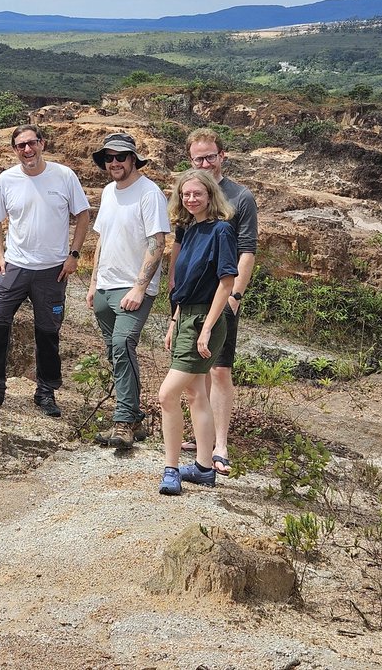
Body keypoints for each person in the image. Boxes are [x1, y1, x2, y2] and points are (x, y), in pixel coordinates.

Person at [0, 125, 90, 416]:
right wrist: (0, 255)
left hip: (52, 269)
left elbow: (83, 215)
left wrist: (73, 255)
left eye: (31, 143)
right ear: (14, 149)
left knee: (48, 331)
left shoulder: (63, 176)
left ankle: (46, 391)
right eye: (20, 145)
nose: (27, 150)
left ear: (42, 144)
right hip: (16, 265)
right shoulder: (6, 180)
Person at [174, 128, 258, 476]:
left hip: (222, 299)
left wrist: (235, 295)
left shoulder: (241, 197)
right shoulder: (191, 193)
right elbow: (179, 247)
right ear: (191, 160)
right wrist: (174, 295)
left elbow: (247, 251)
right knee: (197, 371)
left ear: (223, 155)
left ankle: (220, 444)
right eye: (199, 158)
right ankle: (203, 440)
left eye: (211, 156)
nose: (205, 163)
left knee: (220, 370)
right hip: (191, 299)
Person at [86, 132, 169, 450]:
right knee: (115, 352)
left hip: (133, 288)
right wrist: (94, 283)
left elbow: (158, 243)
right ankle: (134, 416)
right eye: (109, 157)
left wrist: (139, 287)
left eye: (121, 156)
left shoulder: (149, 193)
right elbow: (103, 240)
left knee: (122, 345)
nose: (115, 162)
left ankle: (122, 424)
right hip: (106, 286)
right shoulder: (108, 192)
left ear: (134, 159)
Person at [158, 169, 238, 495]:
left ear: (210, 196)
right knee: (195, 395)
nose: (191, 199)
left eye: (197, 194)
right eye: (186, 194)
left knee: (166, 395)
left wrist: (205, 329)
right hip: (186, 318)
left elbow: (226, 284)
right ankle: (204, 468)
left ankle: (171, 468)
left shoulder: (221, 231)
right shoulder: (190, 231)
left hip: (205, 321)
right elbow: (187, 287)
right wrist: (174, 322)